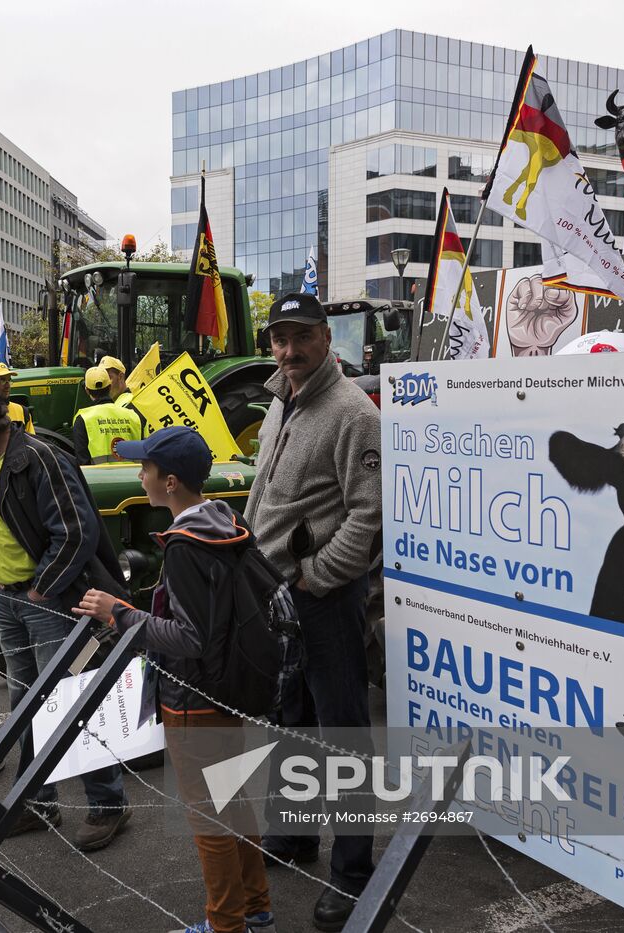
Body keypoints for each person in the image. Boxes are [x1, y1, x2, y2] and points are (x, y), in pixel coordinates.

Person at [75, 426, 276, 933]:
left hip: (195, 696)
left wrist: (118, 613)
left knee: (209, 818)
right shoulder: (225, 519)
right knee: (236, 801)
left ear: (168, 483)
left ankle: (225, 923)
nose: (138, 476)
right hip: (231, 689)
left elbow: (190, 639)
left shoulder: (185, 546)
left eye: (144, 469)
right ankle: (257, 908)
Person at [0, 381, 132, 851]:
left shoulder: (39, 459)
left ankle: (109, 804)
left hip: (46, 603)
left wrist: (41, 586)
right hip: (9, 601)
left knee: (69, 704)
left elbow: (75, 533)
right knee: (27, 704)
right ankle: (38, 801)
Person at [243, 292, 382, 931]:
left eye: (301, 337)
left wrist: (321, 579)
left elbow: (370, 512)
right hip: (278, 594)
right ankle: (296, 834)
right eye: (280, 338)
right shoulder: (282, 399)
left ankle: (353, 875)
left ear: (327, 339)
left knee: (344, 731)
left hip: (324, 599)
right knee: (288, 717)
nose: (290, 350)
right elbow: (264, 491)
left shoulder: (352, 412)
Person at [72, 367, 143, 466]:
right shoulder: (133, 416)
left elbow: (83, 463)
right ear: (109, 387)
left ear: (87, 390)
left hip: (99, 480)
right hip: (133, 478)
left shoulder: (83, 419)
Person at [0, 362, 34, 434]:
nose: (7, 386)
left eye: (9, 380)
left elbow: (31, 442)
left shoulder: (22, 411)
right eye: (2, 380)